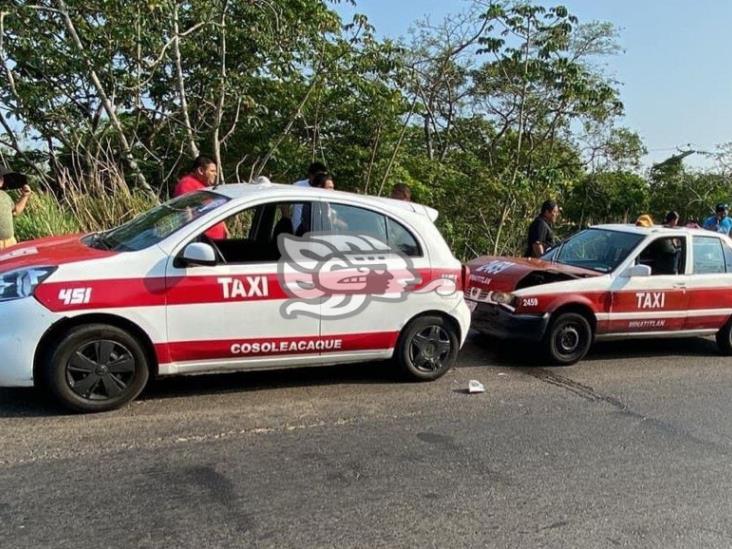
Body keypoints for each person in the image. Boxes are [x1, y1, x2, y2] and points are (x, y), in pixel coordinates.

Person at [173, 156, 228, 240]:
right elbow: (186, 215)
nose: (215, 174)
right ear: (201, 171)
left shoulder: (203, 185)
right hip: (204, 242)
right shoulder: (187, 184)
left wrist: (225, 231)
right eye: (212, 171)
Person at [0, 166, 32, 249]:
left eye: (1, 178)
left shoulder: (5, 196)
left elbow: (15, 212)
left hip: (10, 241)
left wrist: (25, 196)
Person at [292, 162, 328, 230]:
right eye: (319, 175)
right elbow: (285, 205)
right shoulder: (298, 186)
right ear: (310, 175)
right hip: (297, 230)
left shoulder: (325, 188)